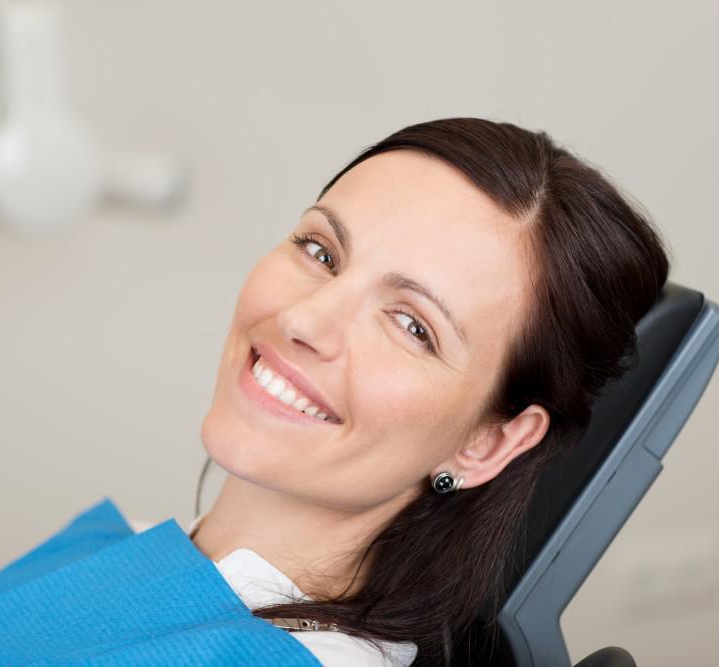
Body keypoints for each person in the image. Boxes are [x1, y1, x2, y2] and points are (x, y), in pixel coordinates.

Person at [189, 117, 671, 666]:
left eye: (413, 325)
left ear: (487, 443)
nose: (304, 318)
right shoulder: (141, 546)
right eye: (321, 251)